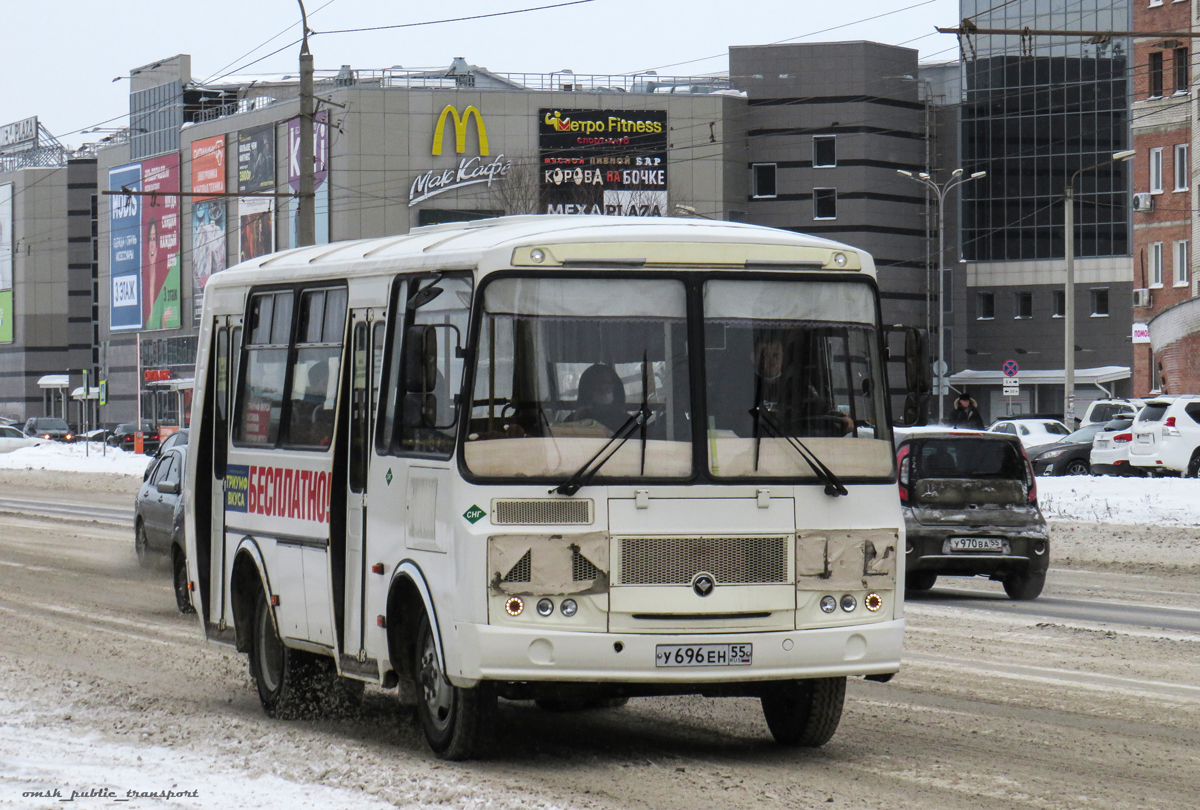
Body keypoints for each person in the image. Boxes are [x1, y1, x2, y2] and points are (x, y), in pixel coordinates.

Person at [573, 363, 628, 434]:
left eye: (609, 383)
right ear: (588, 389)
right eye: (600, 383)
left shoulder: (627, 422)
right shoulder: (573, 421)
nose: (604, 388)